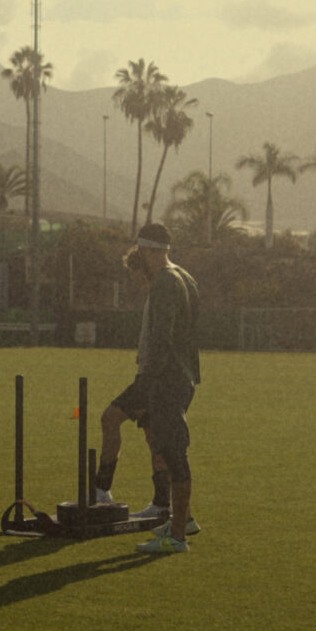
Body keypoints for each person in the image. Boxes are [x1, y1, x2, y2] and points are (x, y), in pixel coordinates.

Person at [128, 223, 202, 554]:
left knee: (173, 453)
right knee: (172, 452)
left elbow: (162, 337)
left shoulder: (165, 283)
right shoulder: (185, 277)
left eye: (141, 250)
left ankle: (178, 538)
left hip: (168, 379)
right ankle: (181, 522)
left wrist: (146, 383)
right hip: (182, 376)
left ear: (147, 250)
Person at [93, 244, 177, 524]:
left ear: (143, 269)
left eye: (133, 272)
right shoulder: (155, 293)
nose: (132, 278)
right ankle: (162, 503)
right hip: (150, 374)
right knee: (153, 437)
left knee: (110, 418)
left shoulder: (161, 292)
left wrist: (151, 360)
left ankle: (102, 490)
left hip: (152, 377)